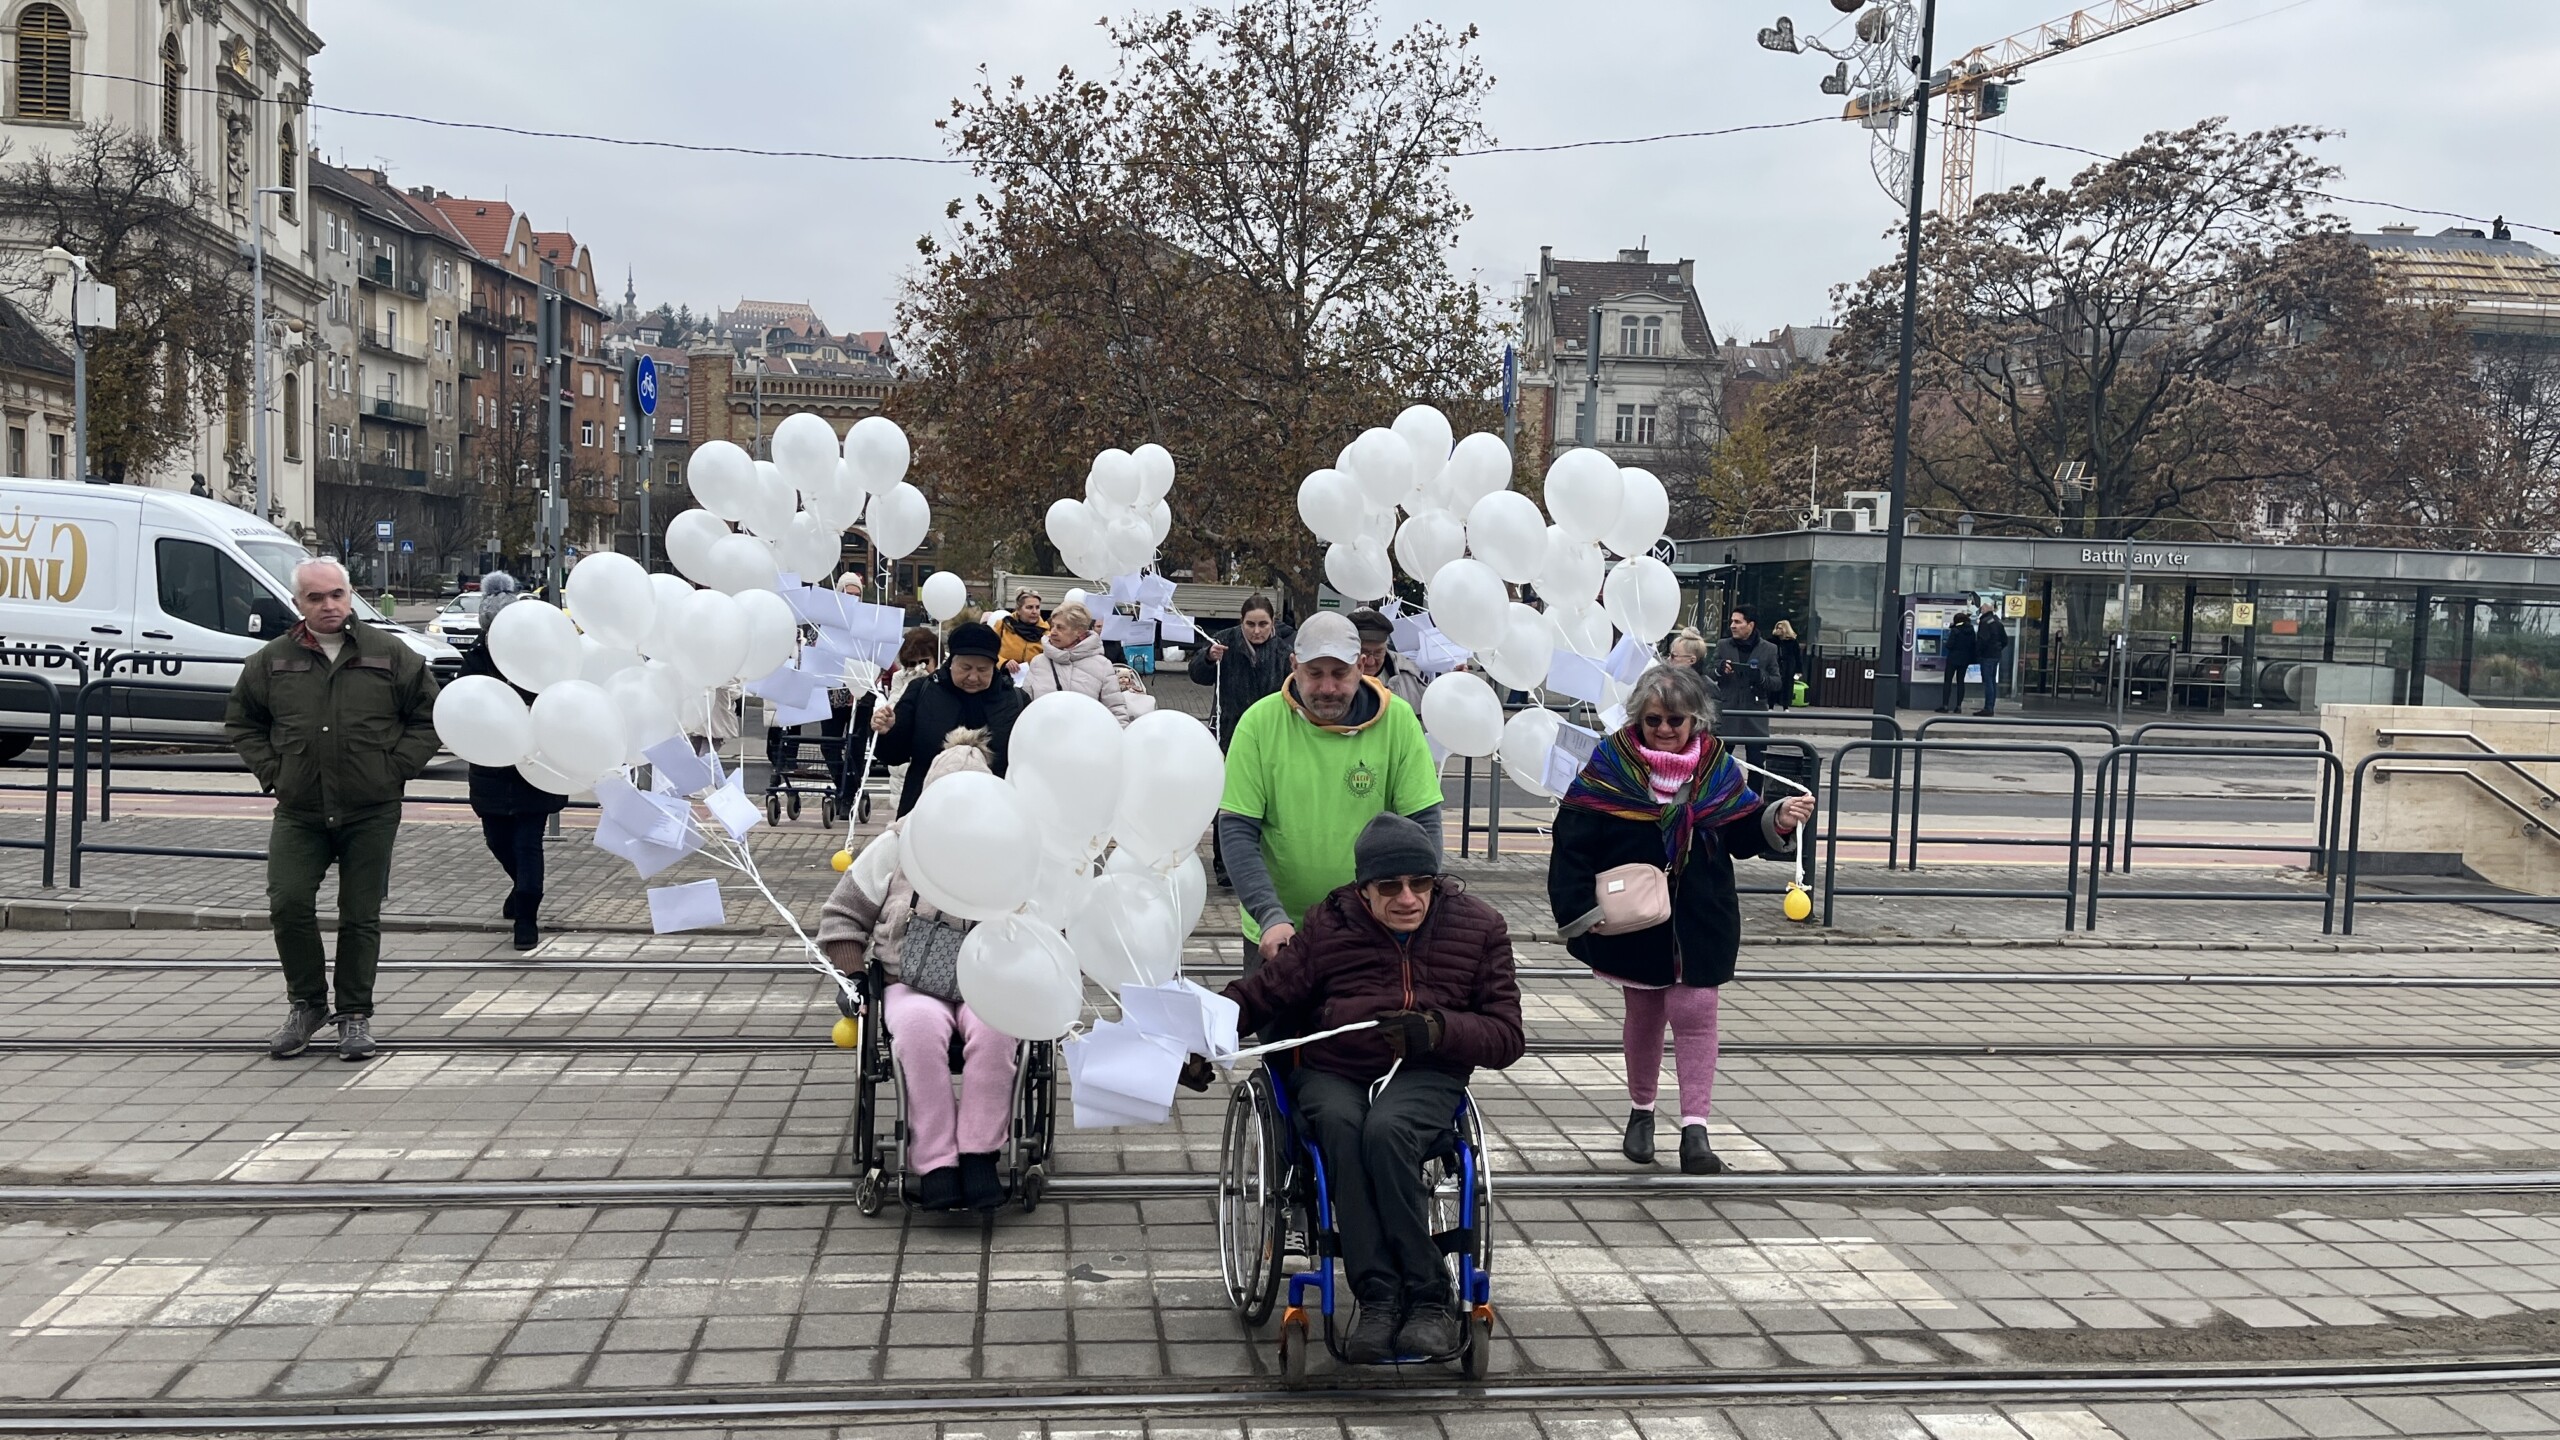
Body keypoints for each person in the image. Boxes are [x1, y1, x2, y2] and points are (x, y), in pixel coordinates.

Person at [1193, 812, 1522, 1363]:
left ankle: (1429, 1296)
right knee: (1342, 1132)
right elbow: (1263, 993)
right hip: (1335, 1069)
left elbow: (1508, 1035)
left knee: (1388, 1132)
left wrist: (1438, 1029)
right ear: (1364, 888)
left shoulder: (1479, 927)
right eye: (1389, 887)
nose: (1408, 898)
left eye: (1420, 883)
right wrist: (1200, 1042)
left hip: (1425, 1069)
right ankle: (1378, 1298)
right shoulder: (1331, 924)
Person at [1545, 665, 1814, 1175]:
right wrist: (1579, 910)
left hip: (1702, 915)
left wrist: (1775, 819)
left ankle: (1695, 1131)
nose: (1665, 729)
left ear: (1696, 720)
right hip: (1634, 921)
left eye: (1676, 719)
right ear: (1637, 720)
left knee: (1696, 1014)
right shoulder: (1609, 767)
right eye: (1653, 720)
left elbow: (1739, 832)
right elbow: (1573, 842)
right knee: (1644, 1016)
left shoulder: (1717, 769)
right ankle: (1641, 1114)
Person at [224, 557, 441, 1062]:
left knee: (360, 914)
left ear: (350, 595)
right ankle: (307, 1005)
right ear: (297, 603)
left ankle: (354, 1014)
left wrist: (394, 769)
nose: (329, 605)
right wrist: (274, 772)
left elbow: (430, 716)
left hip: (371, 808)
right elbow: (242, 722)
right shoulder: (271, 660)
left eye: (337, 594)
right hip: (300, 809)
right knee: (288, 903)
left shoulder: (390, 653)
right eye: (316, 597)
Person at [820, 730, 1017, 1212]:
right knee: (916, 1032)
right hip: (909, 979)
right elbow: (842, 916)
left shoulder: (1010, 844)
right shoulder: (897, 843)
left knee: (997, 1034)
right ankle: (935, 1160)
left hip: (986, 981)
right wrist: (853, 976)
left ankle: (979, 1153)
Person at [1217, 612, 1443, 966]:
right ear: (1294, 666)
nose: (1327, 688)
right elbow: (1237, 831)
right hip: (1281, 932)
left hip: (1373, 930)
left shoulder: (1398, 721)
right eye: (1314, 673)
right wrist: (1269, 914)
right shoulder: (1258, 724)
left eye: (1340, 673)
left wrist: (1414, 901)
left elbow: (1424, 823)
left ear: (1361, 666)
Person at [456, 573, 561, 952]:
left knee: (528, 843)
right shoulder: (476, 660)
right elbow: (462, 705)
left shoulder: (538, 661)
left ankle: (526, 916)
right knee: (497, 839)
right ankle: (520, 890)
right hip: (490, 768)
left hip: (533, 766)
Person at [872, 620, 1025, 817]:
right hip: (927, 808)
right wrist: (889, 731)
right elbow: (894, 756)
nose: (973, 677)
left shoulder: (1015, 701)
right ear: (951, 662)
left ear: (994, 667)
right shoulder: (922, 691)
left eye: (982, 670)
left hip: (994, 812)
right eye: (966, 667)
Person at [1187, 594, 1293, 749]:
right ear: (1241, 621)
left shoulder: (1284, 652)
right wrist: (1208, 657)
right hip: (1229, 732)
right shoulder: (1223, 641)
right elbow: (1197, 676)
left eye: (1263, 624)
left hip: (1269, 733)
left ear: (1273, 622)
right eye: (1250, 624)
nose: (1256, 631)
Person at [1019, 599, 1138, 724]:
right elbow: (1025, 709)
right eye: (1052, 626)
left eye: (1060, 627)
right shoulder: (1038, 663)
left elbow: (1116, 712)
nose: (1052, 632)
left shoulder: (1102, 666)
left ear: (1079, 632)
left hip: (1088, 735)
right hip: (1045, 733)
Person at [1709, 606, 1786, 768]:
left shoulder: (1769, 649)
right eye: (1732, 621)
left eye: (1738, 622)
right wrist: (1719, 669)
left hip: (1755, 715)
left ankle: (1755, 787)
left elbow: (1777, 683)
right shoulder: (1723, 645)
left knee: (1757, 765)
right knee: (1719, 765)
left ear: (1750, 625)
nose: (1732, 626)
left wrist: (1760, 677)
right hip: (1728, 713)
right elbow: (1708, 674)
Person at [1347, 607, 1426, 710]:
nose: (1370, 662)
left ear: (1386, 648)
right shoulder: (1331, 677)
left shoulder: (1409, 675)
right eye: (1363, 652)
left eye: (1378, 653)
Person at [1970, 596, 2009, 716]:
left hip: (1987, 655)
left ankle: (1988, 708)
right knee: (1992, 681)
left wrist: (1977, 653)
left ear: (1985, 608)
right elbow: (2005, 640)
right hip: (1995, 655)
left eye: (1982, 608)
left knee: (1988, 682)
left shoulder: (1985, 622)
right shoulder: (1997, 621)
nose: (1981, 610)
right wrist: (1998, 649)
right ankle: (1990, 706)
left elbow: (1982, 640)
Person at [995, 589, 1049, 671]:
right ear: (1018, 610)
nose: (1034, 611)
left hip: (1033, 677)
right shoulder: (1002, 626)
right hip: (1003, 675)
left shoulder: (1046, 633)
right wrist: (1003, 663)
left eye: (1037, 607)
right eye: (1029, 607)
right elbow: (988, 651)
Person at [1938, 609, 1977, 715]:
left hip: (1953, 658)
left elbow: (1949, 645)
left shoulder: (1955, 631)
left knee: (1948, 681)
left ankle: (1945, 705)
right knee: (1961, 682)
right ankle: (1959, 706)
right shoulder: (1971, 631)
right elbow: (1973, 645)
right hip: (1965, 659)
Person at [1770, 620, 1805, 707]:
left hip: (1788, 666)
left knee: (1787, 686)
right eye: (1777, 628)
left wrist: (1799, 670)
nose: (1778, 630)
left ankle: (1786, 706)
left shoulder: (1792, 641)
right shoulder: (1773, 640)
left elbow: (1797, 656)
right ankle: (1771, 704)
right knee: (1774, 684)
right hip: (1776, 664)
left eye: (1780, 628)